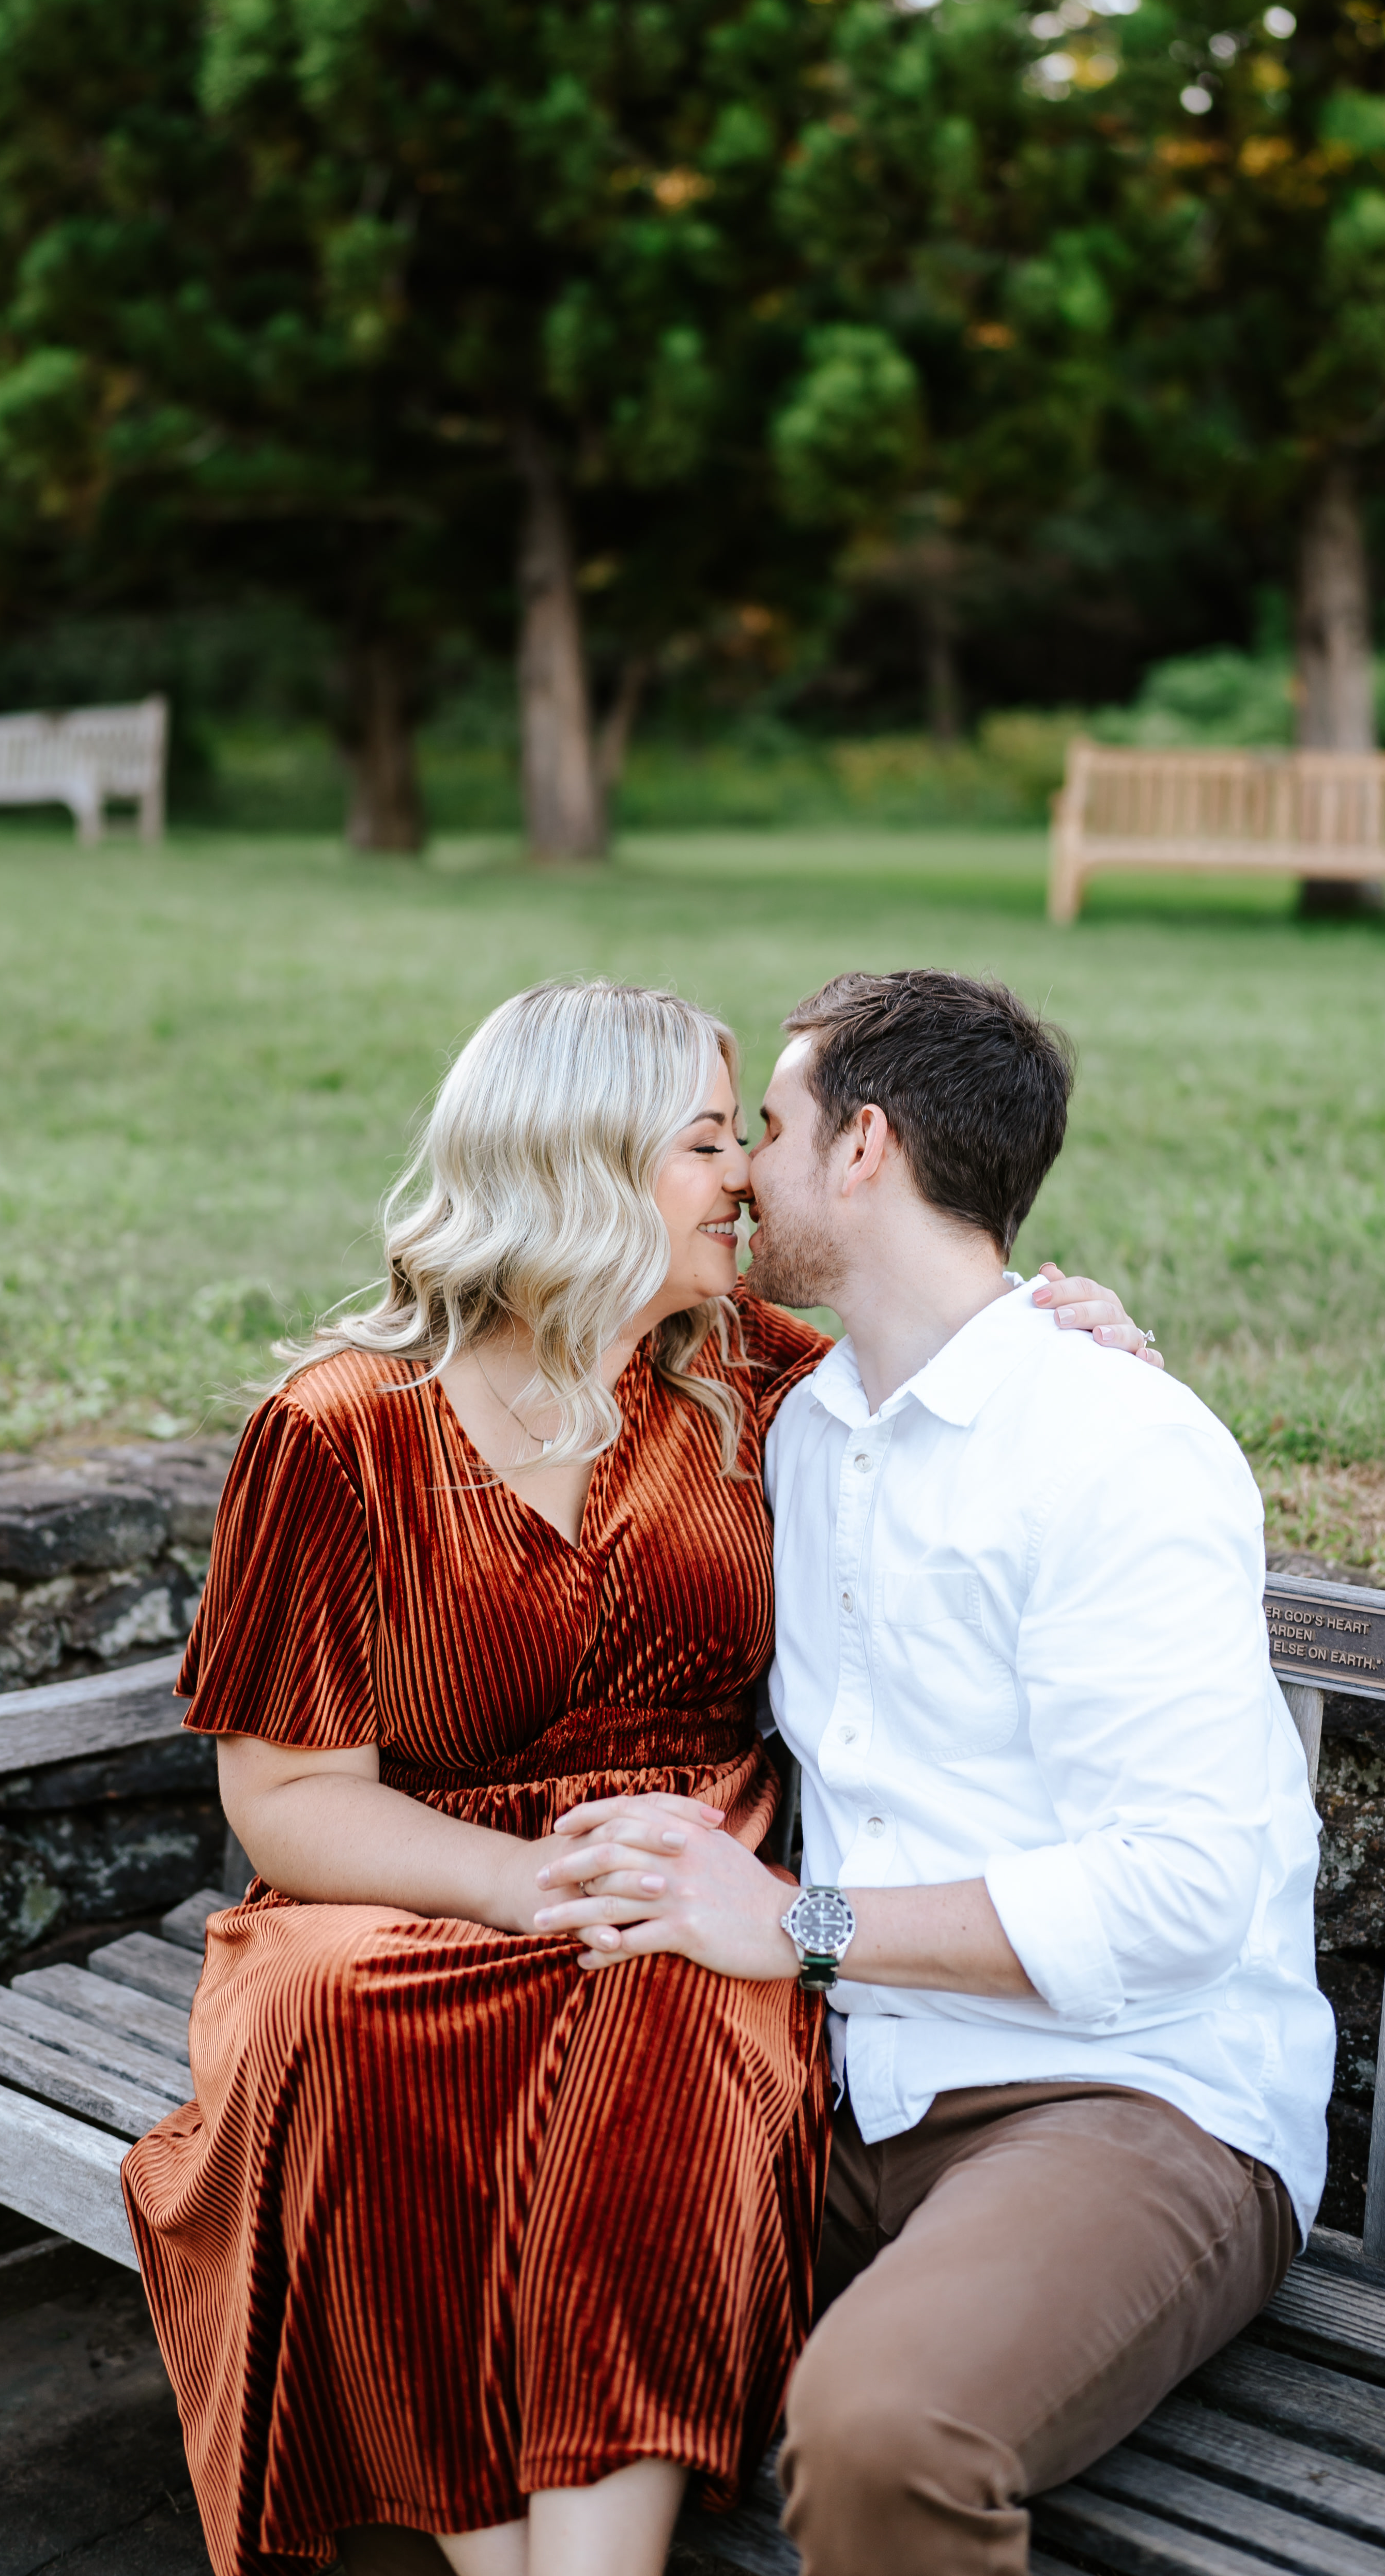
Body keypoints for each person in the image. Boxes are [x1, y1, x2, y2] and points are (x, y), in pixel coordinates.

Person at [122, 977, 1145, 2576]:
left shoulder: (748, 1375)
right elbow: (289, 1796)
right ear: (579, 1165)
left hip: (694, 1874)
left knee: (670, 2007)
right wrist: (519, 1880)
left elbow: (960, 1369)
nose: (746, 1174)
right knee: (343, 2021)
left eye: (748, 1138)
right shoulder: (341, 1434)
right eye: (704, 1144)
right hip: (409, 1883)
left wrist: (1076, 1333)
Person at [543, 969, 1335, 2576]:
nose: (742, 1171)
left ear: (863, 1150)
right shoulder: (792, 1420)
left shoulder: (1114, 1443)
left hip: (1128, 2099)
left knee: (885, 2436)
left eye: (764, 1127)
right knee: (491, 2213)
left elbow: (1184, 1894)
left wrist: (795, 1923)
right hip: (854, 2084)